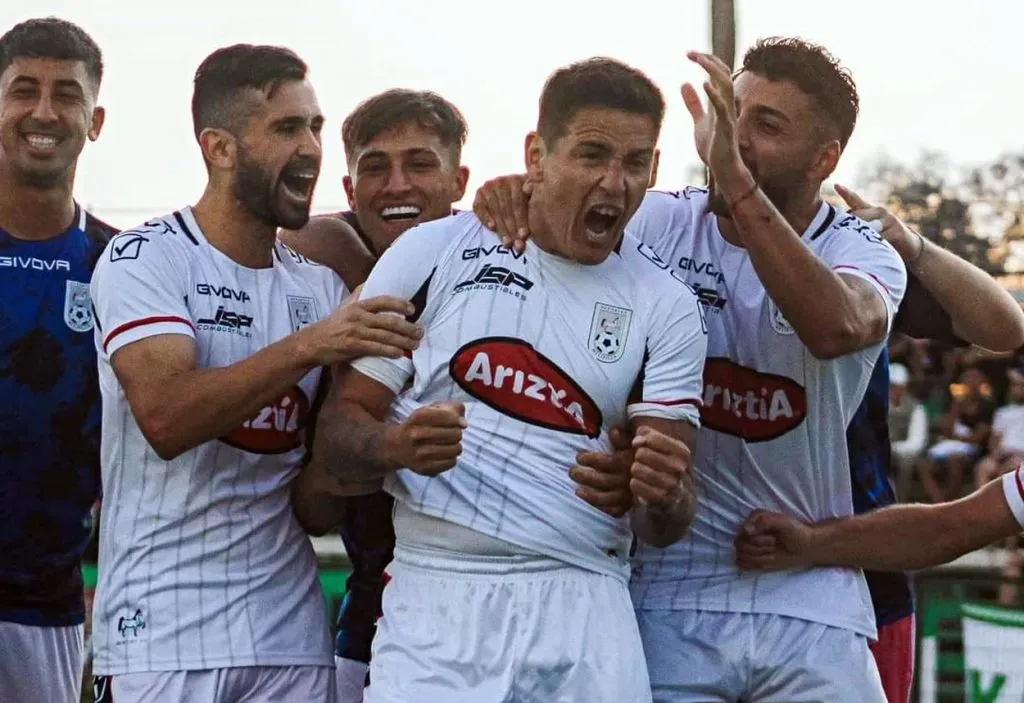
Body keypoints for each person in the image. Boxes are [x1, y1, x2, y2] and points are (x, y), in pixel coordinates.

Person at [477, 39, 908, 701]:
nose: (730, 137)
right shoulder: (662, 220)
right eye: (729, 113)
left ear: (825, 159)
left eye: (764, 126)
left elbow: (837, 328)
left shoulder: (861, 247)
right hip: (666, 595)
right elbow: (556, 229)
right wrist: (516, 194)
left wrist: (735, 179)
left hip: (811, 600)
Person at [292, 56, 708, 702]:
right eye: (593, 154)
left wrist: (657, 489)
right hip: (437, 593)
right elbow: (339, 433)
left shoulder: (668, 306)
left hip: (586, 600)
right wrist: (394, 448)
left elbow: (666, 517)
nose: (614, 181)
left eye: (635, 163)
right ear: (536, 155)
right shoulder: (432, 253)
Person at [87, 44, 422, 703]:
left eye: (316, 127)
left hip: (289, 638)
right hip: (162, 637)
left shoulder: (323, 288)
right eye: (286, 129)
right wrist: (310, 346)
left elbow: (318, 493)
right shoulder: (144, 260)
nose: (311, 149)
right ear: (220, 148)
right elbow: (166, 417)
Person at [284, 88, 470, 703]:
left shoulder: (521, 275)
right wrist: (373, 437)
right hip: (376, 629)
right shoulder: (329, 305)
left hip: (522, 625)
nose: (397, 185)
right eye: (375, 167)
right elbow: (316, 510)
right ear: (350, 186)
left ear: (460, 180)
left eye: (420, 163)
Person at [0, 17, 115, 703]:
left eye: (66, 94)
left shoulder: (123, 266)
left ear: (94, 120)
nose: (44, 112)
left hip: (43, 606)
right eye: (24, 90)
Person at [975, 367, 1024, 489]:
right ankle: (983, 505)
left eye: (1019, 385)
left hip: (1021, 456)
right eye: (1013, 385)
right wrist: (995, 454)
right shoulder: (1002, 412)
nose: (1016, 389)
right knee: (984, 467)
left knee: (1011, 469)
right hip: (1002, 454)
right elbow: (994, 439)